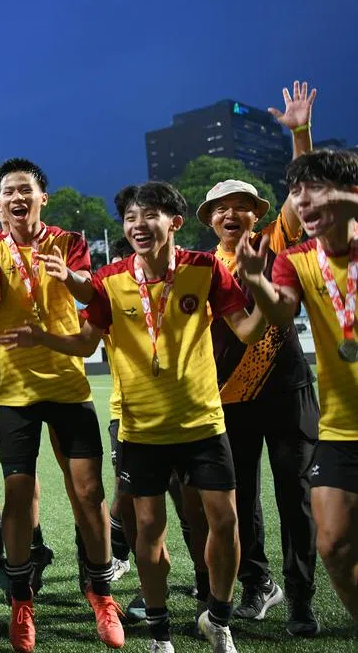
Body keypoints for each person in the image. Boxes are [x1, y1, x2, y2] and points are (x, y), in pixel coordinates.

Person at [2, 180, 267, 653]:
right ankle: (161, 632)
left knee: (224, 524)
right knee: (148, 530)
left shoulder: (204, 269)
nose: (138, 226)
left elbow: (247, 331)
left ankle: (218, 618)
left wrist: (262, 284)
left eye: (149, 216)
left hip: (204, 423)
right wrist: (42, 339)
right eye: (130, 218)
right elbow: (85, 343)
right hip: (142, 430)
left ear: (175, 222)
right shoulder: (111, 280)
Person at [0, 158, 122, 652]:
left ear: (43, 196)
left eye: (26, 190)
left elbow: (89, 291)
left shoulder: (69, 241)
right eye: (7, 193)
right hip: (15, 389)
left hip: (67, 384)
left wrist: (73, 278)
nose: (17, 199)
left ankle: (102, 593)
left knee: (87, 493)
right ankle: (22, 600)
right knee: (18, 494)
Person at [199, 80, 320, 635]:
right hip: (230, 396)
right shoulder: (200, 267)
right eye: (222, 209)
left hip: (288, 388)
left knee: (295, 496)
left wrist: (300, 134)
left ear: (257, 214)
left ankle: (300, 596)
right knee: (239, 499)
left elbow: (305, 193)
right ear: (209, 219)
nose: (232, 214)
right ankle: (256, 585)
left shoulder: (278, 241)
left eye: (242, 206)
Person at [239, 149, 358, 625]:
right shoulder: (296, 259)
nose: (302, 202)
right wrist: (254, 277)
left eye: (314, 190)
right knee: (333, 544)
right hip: (343, 428)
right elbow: (281, 312)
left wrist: (299, 134)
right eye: (294, 192)